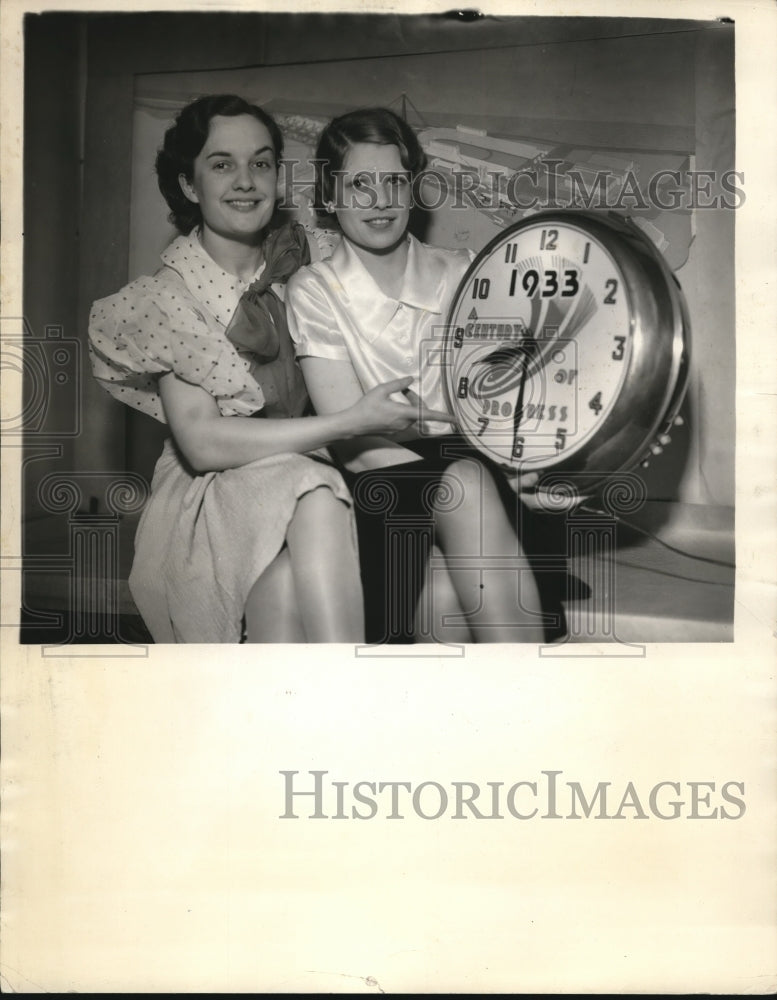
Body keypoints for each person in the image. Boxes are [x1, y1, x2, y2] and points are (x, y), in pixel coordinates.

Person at [88, 95, 451, 643]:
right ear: (189, 186)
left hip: (317, 466)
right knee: (318, 488)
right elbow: (204, 445)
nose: (245, 181)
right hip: (214, 491)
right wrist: (348, 423)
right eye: (221, 164)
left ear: (280, 179)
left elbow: (421, 296)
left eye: (260, 163)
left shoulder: (313, 256)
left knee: (287, 590)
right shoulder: (167, 300)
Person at [285, 107, 547, 644]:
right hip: (377, 479)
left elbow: (497, 406)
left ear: (413, 190)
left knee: (450, 583)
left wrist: (521, 471)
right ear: (330, 196)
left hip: (475, 474)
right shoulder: (315, 289)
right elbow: (353, 437)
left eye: (394, 182)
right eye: (359, 183)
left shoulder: (464, 271)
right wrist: (469, 481)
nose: (379, 201)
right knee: (463, 486)